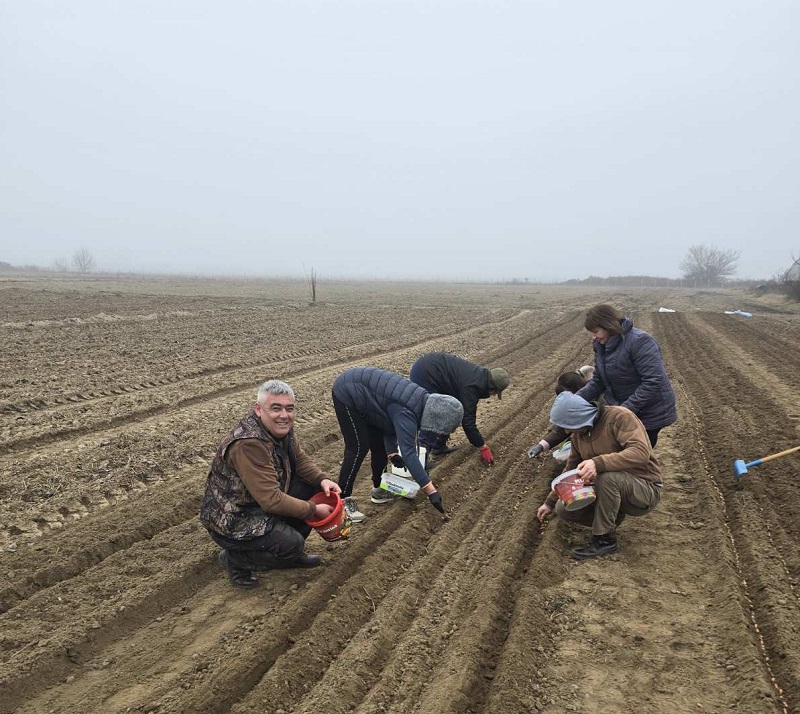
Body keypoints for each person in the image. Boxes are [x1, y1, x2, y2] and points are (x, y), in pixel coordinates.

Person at [200, 379, 341, 588]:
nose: (284, 415)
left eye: (289, 408)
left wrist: (323, 479)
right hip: (234, 518)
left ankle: (288, 552)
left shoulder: (280, 429)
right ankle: (235, 559)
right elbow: (272, 501)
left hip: (256, 503)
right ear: (259, 409)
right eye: (276, 408)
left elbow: (299, 459)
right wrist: (313, 510)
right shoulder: (249, 444)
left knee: (313, 488)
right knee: (291, 543)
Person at [536, 392, 663, 559]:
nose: (566, 431)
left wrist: (598, 463)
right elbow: (571, 468)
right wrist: (549, 502)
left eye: (568, 425)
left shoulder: (620, 416)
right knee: (564, 509)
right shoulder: (578, 435)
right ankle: (612, 515)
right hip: (612, 489)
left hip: (644, 488)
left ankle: (604, 539)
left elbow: (640, 452)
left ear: (580, 416)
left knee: (607, 478)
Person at [332, 366, 464, 522]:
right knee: (358, 448)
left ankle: (379, 490)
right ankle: (342, 503)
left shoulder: (421, 401)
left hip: (366, 398)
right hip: (347, 392)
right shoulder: (407, 411)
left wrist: (392, 452)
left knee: (379, 447)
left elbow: (387, 421)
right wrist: (431, 491)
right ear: (438, 419)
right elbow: (409, 454)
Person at [576, 304, 676, 447]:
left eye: (596, 331)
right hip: (624, 408)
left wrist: (625, 410)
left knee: (636, 453)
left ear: (608, 326)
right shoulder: (602, 346)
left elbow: (652, 381)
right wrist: (574, 400)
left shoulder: (639, 341)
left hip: (650, 411)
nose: (594, 337)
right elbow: (598, 380)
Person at [409, 352, 510, 465]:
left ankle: (438, 447)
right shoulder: (472, 387)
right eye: (496, 392)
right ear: (492, 388)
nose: (494, 395)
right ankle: (421, 459)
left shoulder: (480, 377)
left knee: (452, 410)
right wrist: (483, 447)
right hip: (425, 373)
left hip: (433, 370)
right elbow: (468, 423)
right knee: (433, 414)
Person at [527, 366, 594, 459]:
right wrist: (541, 445)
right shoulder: (577, 403)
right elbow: (562, 429)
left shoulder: (600, 407)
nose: (567, 430)